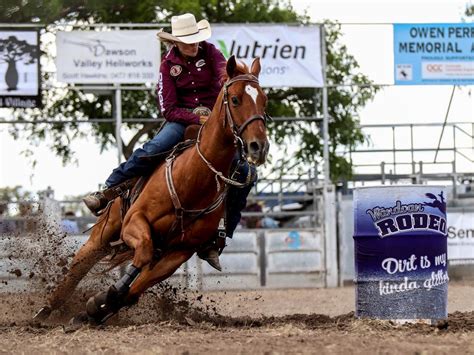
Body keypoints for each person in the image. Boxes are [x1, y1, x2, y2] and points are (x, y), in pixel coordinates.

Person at [82, 13, 255, 271]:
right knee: (152, 149)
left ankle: (219, 237)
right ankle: (109, 190)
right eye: (187, 41)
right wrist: (194, 116)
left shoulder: (212, 55)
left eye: (195, 40)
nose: (193, 45)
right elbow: (169, 109)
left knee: (245, 172)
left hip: (217, 124)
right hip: (182, 122)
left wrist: (216, 112)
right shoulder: (168, 66)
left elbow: (228, 82)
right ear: (175, 42)